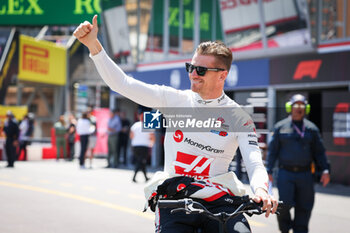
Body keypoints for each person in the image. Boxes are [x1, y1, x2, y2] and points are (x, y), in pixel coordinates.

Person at [74, 15, 277, 233]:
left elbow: (254, 162)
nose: (192, 74)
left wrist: (262, 190)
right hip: (175, 199)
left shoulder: (239, 117)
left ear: (222, 75)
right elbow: (123, 84)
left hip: (220, 200)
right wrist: (94, 46)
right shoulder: (174, 100)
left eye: (201, 70)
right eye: (190, 67)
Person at [266, 94, 330, 233]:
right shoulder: (280, 127)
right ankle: (284, 228)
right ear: (290, 107)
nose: (299, 108)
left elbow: (319, 152)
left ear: (306, 108)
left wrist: (325, 170)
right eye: (296, 105)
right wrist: (268, 171)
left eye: (302, 105)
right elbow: (273, 151)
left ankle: (300, 230)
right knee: (284, 204)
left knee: (304, 206)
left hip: (305, 175)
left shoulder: (312, 129)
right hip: (285, 174)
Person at [130, 111, 155, 182]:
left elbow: (131, 136)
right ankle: (134, 177)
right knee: (141, 161)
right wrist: (151, 144)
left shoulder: (135, 125)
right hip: (144, 146)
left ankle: (145, 177)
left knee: (141, 161)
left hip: (135, 146)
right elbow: (152, 137)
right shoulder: (148, 125)